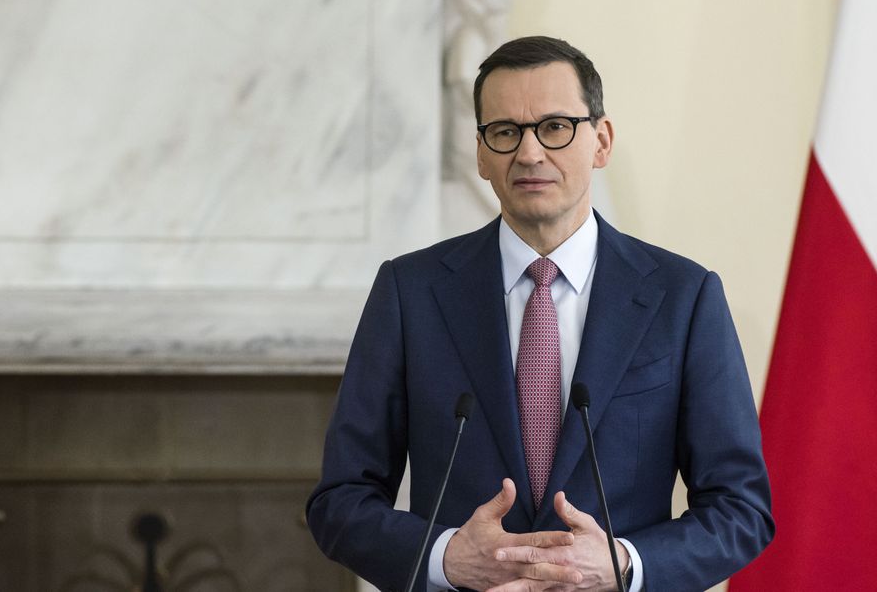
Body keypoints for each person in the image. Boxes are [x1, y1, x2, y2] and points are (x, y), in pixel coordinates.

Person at [307, 36, 773, 591]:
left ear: (601, 140)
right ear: (482, 154)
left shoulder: (684, 297)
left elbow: (741, 509)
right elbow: (341, 501)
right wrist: (445, 558)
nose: (529, 154)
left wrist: (624, 564)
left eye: (555, 127)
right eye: (505, 132)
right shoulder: (410, 292)